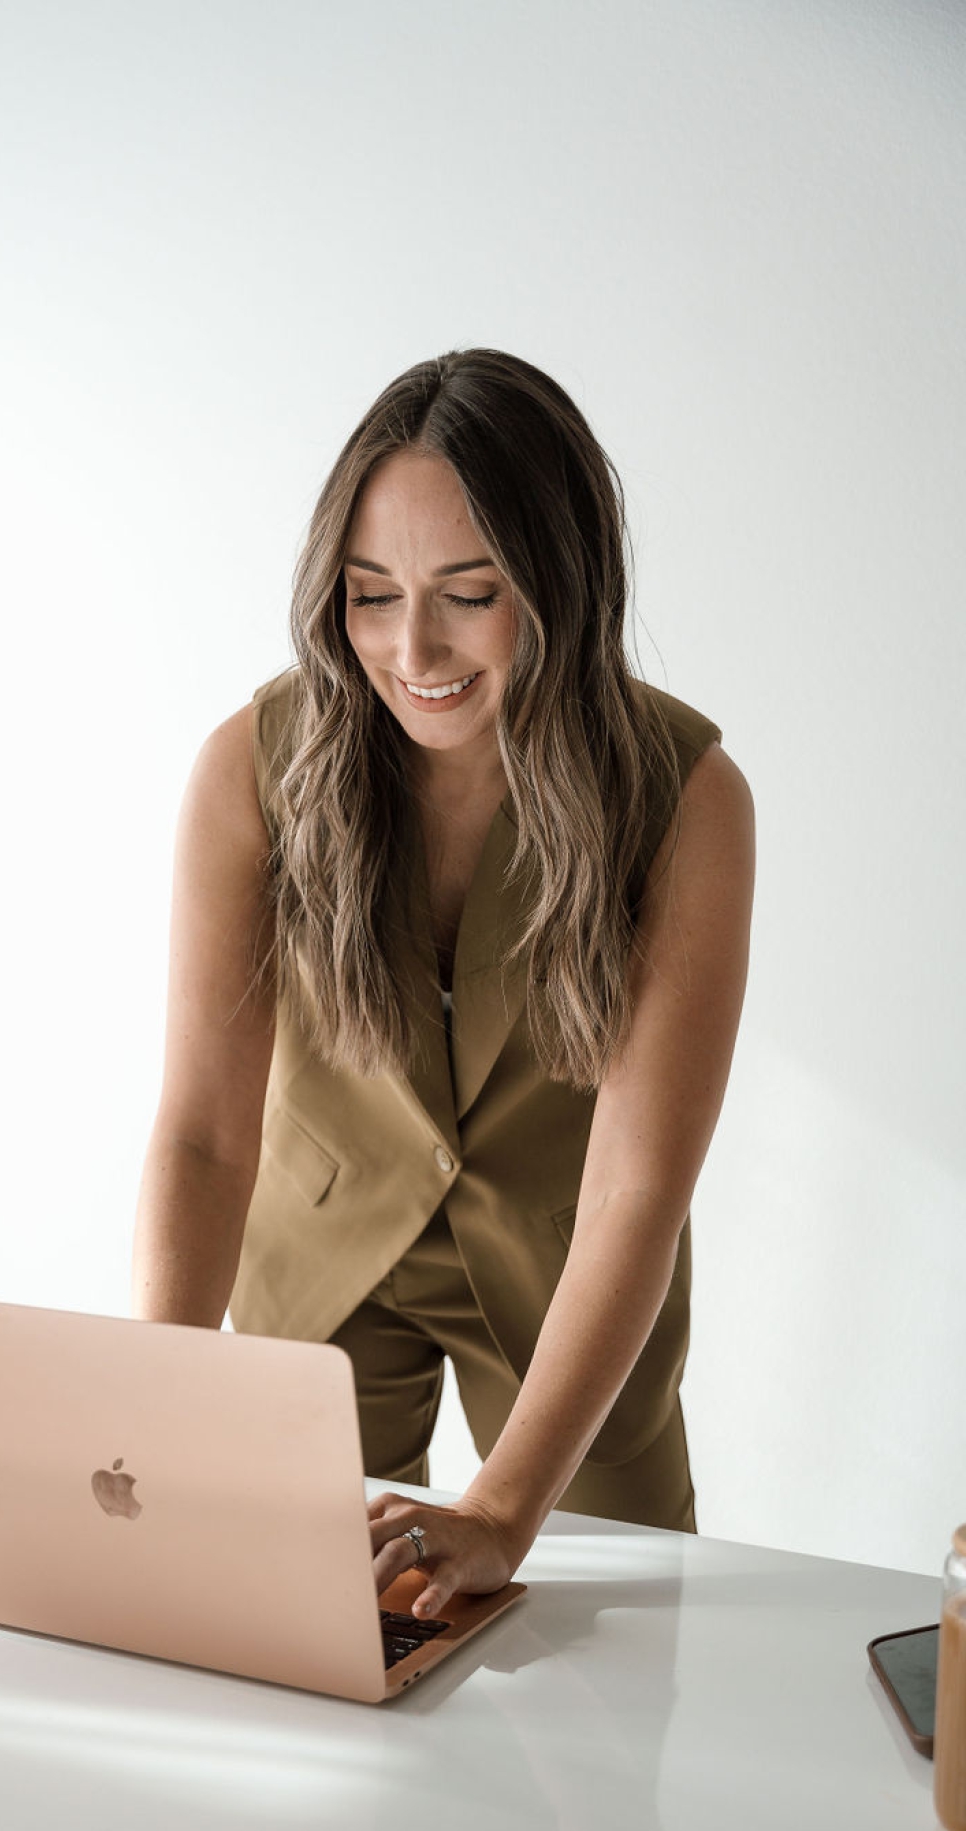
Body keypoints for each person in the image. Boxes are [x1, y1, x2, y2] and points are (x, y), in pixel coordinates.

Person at [132, 348, 754, 1623]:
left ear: (559, 583)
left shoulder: (686, 800)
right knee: (281, 1649)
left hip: (575, 1271)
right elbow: (200, 1137)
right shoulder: (248, 771)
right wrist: (154, 1408)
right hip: (316, 1266)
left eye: (468, 594)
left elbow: (640, 1186)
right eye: (370, 596)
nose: (410, 648)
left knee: (619, 1675)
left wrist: (501, 1510)